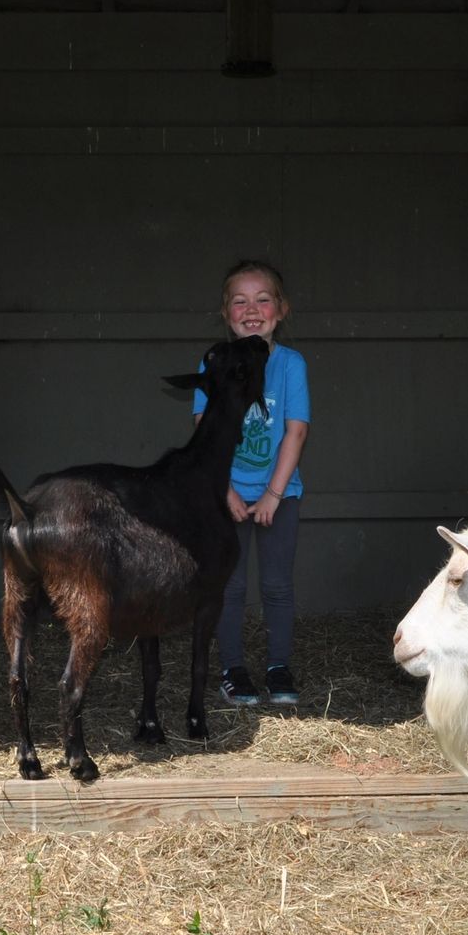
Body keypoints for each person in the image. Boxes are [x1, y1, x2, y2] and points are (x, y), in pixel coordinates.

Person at [193, 260, 311, 706]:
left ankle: (279, 667)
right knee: (230, 585)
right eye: (239, 301)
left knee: (277, 585)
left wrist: (273, 495)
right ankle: (232, 669)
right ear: (226, 313)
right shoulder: (212, 361)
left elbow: (295, 431)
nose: (252, 309)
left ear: (281, 310)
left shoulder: (290, 365)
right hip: (224, 495)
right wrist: (223, 492)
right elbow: (205, 432)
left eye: (263, 299)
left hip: (280, 494)